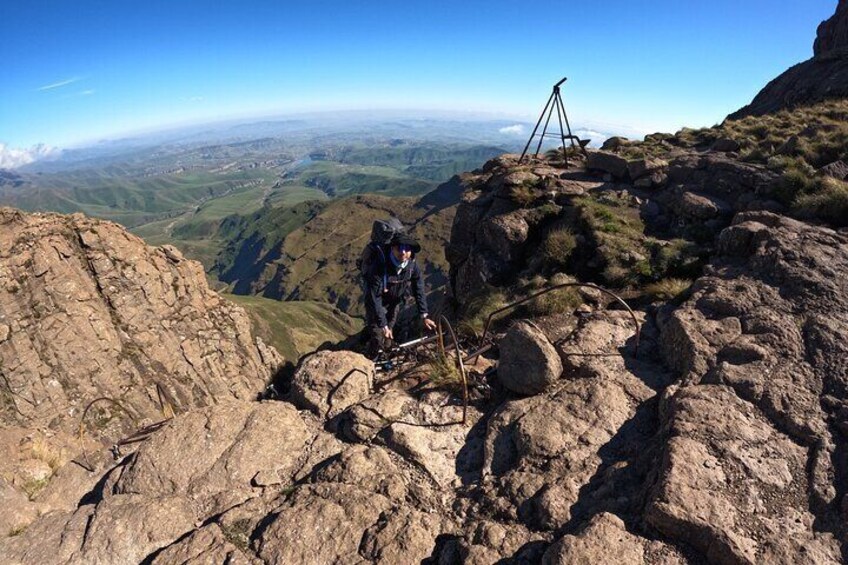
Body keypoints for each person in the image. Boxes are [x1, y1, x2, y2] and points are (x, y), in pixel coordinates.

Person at [361, 232, 437, 357]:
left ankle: (383, 355)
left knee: (389, 333)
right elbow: (374, 298)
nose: (403, 252)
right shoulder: (380, 266)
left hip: (394, 302)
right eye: (399, 248)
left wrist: (424, 315)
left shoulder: (412, 266)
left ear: (411, 251)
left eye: (407, 249)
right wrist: (383, 324)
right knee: (379, 335)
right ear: (392, 248)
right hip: (375, 302)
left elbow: (419, 289)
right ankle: (370, 360)